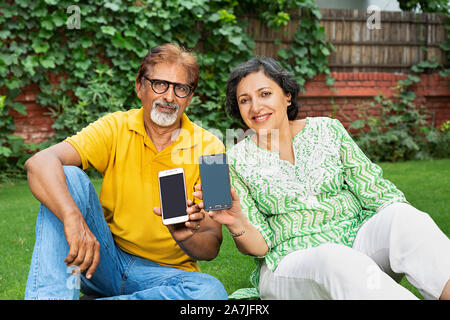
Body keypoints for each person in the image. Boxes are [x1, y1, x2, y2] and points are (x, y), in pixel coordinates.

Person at [198, 57, 450, 300]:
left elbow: (378, 192)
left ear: (287, 95)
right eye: (244, 100)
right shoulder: (235, 160)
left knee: (404, 216)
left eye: (265, 94)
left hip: (358, 245)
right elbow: (259, 247)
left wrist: (407, 231)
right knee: (333, 257)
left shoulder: (328, 129)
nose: (255, 107)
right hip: (290, 265)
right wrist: (237, 222)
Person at [24, 43, 228, 300]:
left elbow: (212, 245)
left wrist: (185, 236)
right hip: (103, 260)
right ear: (139, 86)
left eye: (180, 88)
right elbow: (39, 162)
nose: (169, 96)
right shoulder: (114, 127)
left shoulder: (214, 150)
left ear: (190, 97)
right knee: (67, 175)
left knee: (210, 293)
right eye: (159, 84)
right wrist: (72, 218)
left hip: (165, 275)